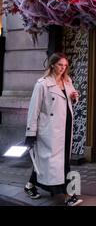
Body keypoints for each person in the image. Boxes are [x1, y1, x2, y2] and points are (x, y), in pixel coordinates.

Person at [23, 52, 83, 206]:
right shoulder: (42, 84)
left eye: (65, 65)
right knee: (53, 163)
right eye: (59, 65)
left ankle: (30, 185)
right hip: (49, 130)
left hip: (65, 127)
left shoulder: (67, 81)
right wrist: (31, 133)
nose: (63, 68)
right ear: (52, 65)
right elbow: (33, 110)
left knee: (54, 162)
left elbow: (69, 100)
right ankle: (69, 195)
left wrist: (75, 97)